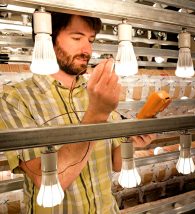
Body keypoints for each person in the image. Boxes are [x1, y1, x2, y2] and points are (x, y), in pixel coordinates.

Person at [0, 12, 154, 213]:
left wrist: (133, 140)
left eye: (90, 40)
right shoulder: (15, 98)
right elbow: (49, 180)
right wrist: (97, 114)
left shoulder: (96, 90)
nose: (87, 49)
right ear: (47, 38)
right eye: (76, 38)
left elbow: (116, 163)